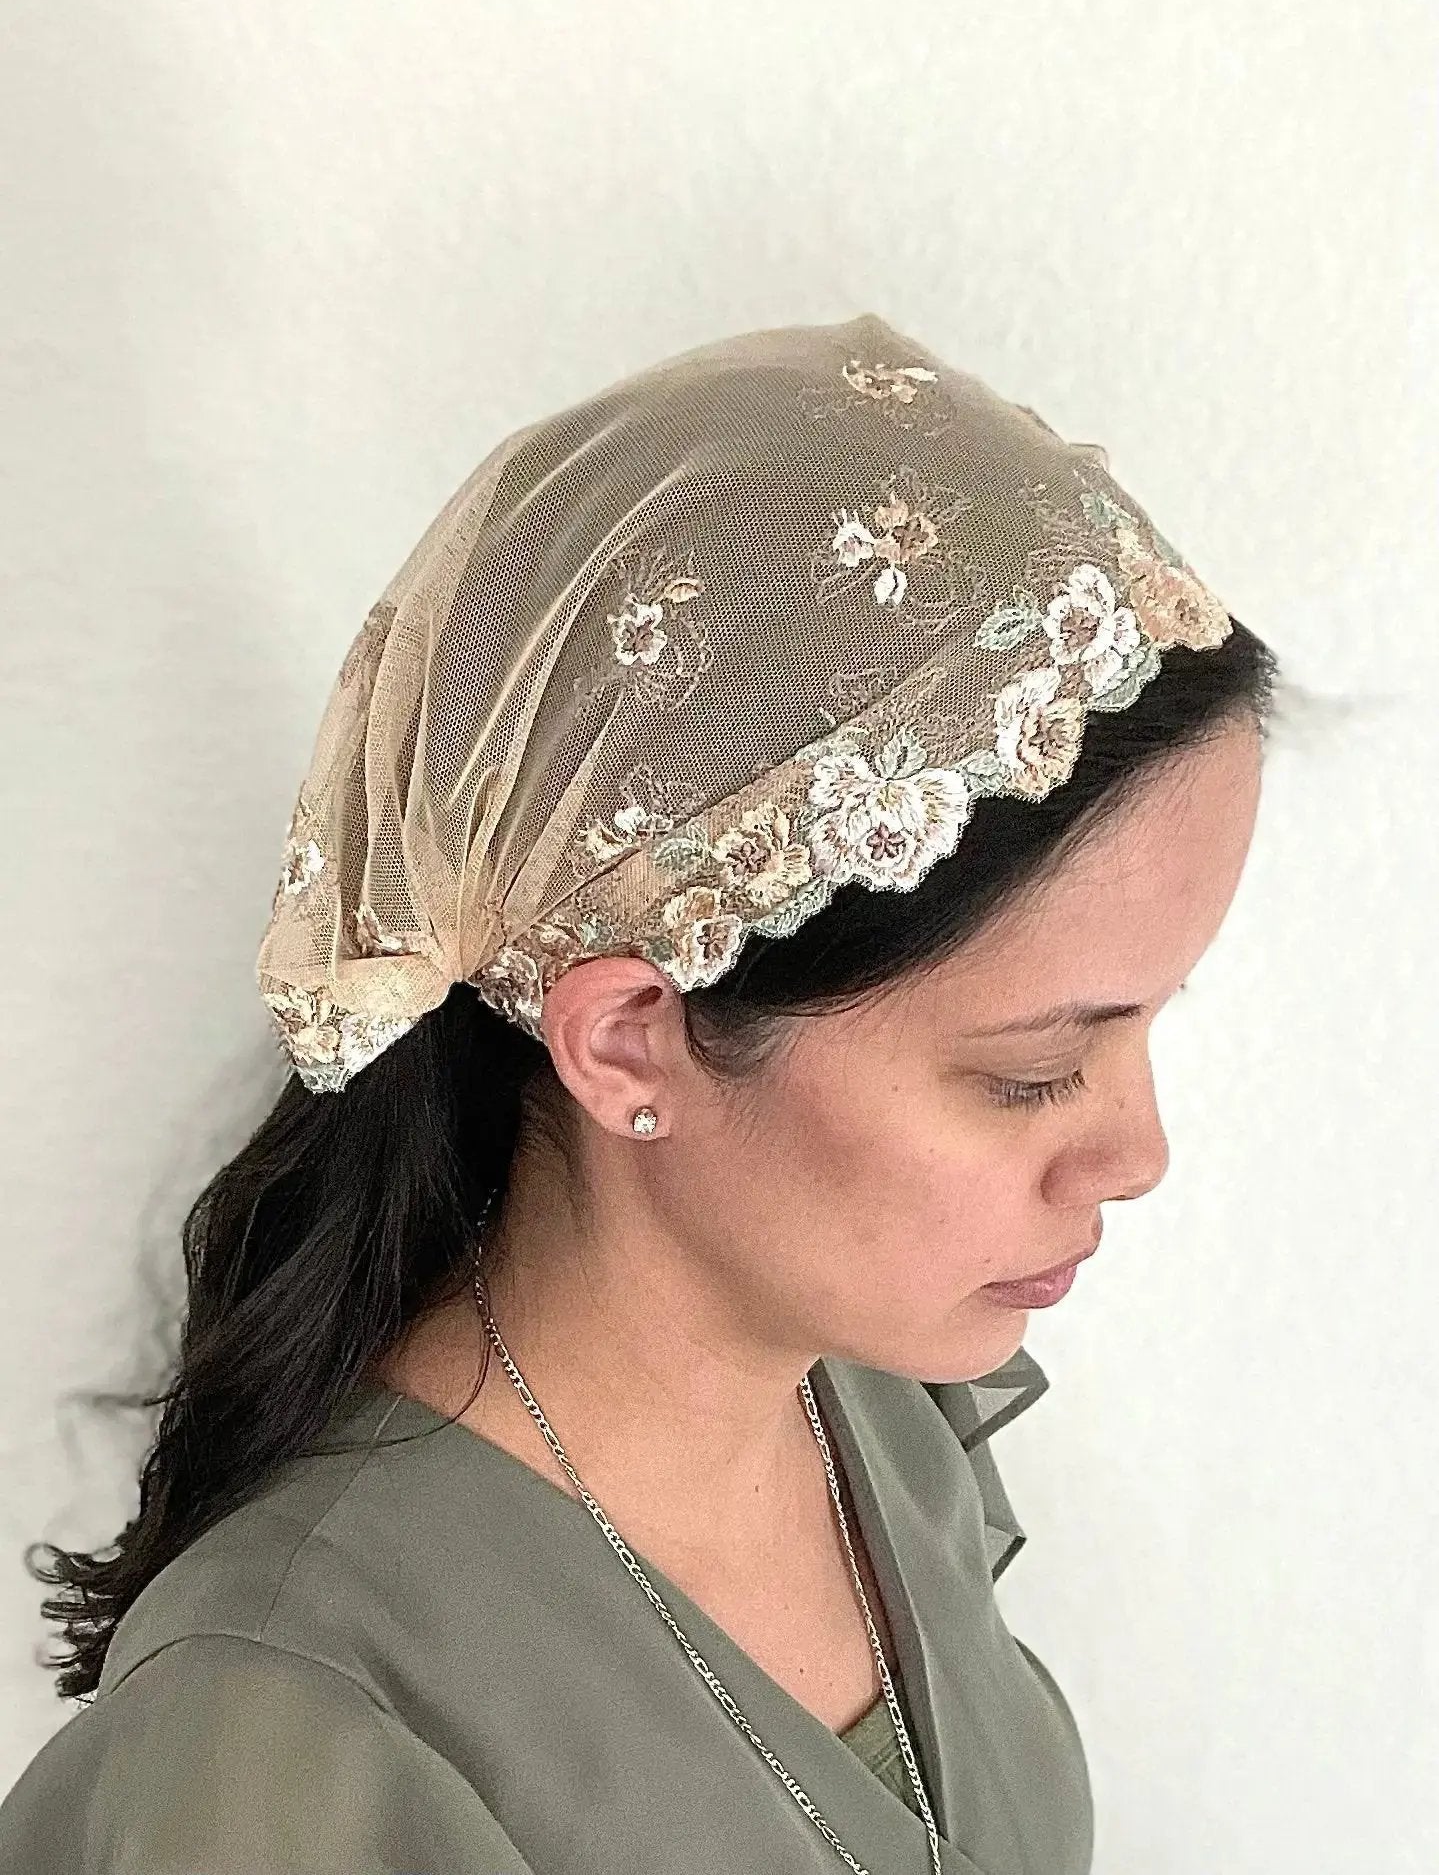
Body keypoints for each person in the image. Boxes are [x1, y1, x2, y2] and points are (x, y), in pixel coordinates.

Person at [2, 312, 1278, 1874]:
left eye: (1150, 1027)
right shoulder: (282, 1750)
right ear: (623, 1043)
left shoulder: (868, 1411)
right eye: (1033, 1074)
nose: (1138, 1153)